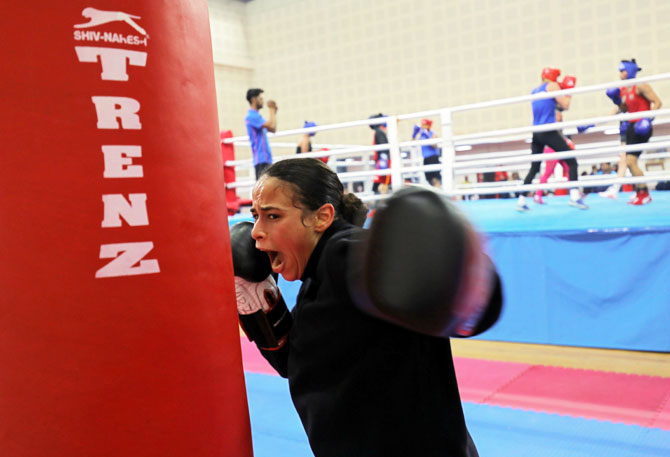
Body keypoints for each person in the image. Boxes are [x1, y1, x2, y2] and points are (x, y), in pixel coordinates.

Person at [232, 158, 503, 457]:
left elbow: (466, 305)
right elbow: (293, 362)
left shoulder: (344, 255)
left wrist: (461, 279)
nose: (256, 230)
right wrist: (260, 303)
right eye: (256, 216)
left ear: (322, 217)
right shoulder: (317, 278)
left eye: (272, 216)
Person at [516, 67, 587, 211]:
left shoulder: (535, 91)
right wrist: (569, 91)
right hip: (548, 130)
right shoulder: (552, 86)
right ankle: (574, 197)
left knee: (534, 167)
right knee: (572, 161)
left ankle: (521, 201)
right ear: (553, 77)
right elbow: (565, 105)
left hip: (536, 133)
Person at [600, 59, 663, 205]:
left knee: (630, 161)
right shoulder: (622, 89)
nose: (621, 74)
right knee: (629, 163)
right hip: (630, 127)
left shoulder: (641, 86)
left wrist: (648, 118)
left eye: (623, 71)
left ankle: (644, 193)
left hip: (641, 127)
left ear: (630, 71)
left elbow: (658, 102)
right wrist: (616, 100)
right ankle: (640, 192)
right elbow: (624, 109)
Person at [245, 88, 277, 179]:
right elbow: (271, 124)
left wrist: (273, 111)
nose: (262, 101)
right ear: (253, 99)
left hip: (266, 158)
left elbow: (273, 128)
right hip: (261, 159)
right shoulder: (251, 116)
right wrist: (271, 109)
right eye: (260, 98)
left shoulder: (257, 116)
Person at [412, 118, 441, 187]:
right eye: (422, 124)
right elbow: (412, 145)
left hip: (433, 157)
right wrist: (414, 134)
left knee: (435, 178)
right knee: (429, 179)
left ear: (428, 126)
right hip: (426, 158)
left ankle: (437, 194)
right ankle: (435, 193)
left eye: (424, 124)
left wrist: (428, 136)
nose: (422, 126)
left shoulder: (433, 134)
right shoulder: (421, 135)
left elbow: (435, 146)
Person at [370, 113, 391, 194]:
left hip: (383, 162)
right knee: (380, 185)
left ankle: (381, 204)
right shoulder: (379, 131)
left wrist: (383, 163)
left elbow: (384, 149)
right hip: (382, 161)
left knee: (377, 187)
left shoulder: (379, 132)